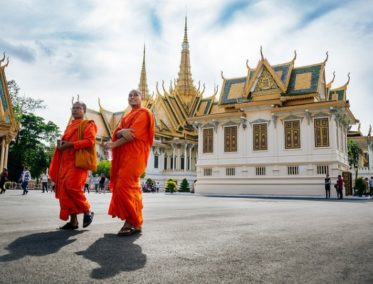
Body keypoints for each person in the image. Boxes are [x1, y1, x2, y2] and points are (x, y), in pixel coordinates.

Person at [106, 89, 154, 236]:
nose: (132, 97)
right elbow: (119, 131)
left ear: (142, 98)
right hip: (124, 156)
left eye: (135, 95)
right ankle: (137, 222)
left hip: (136, 156)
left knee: (124, 186)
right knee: (132, 188)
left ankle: (130, 221)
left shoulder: (145, 113)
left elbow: (132, 134)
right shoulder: (126, 116)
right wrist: (121, 132)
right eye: (130, 95)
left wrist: (114, 143)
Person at [49, 101, 96, 230]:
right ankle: (73, 221)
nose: (75, 110)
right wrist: (61, 144)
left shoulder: (88, 124)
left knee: (72, 187)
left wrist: (70, 144)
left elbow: (89, 141)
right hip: (65, 162)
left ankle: (87, 210)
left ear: (84, 110)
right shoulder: (70, 126)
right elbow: (67, 141)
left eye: (78, 108)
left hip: (78, 162)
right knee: (64, 191)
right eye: (73, 108)